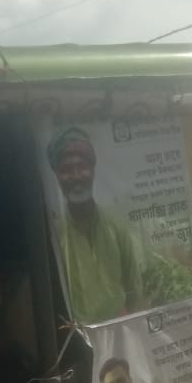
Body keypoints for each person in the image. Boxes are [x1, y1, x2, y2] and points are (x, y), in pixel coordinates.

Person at [47, 127, 144, 324]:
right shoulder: (56, 237)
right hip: (77, 337)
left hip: (121, 331)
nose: (76, 176)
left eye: (82, 166)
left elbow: (134, 288)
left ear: (92, 171)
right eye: (66, 169)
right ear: (57, 176)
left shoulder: (116, 227)